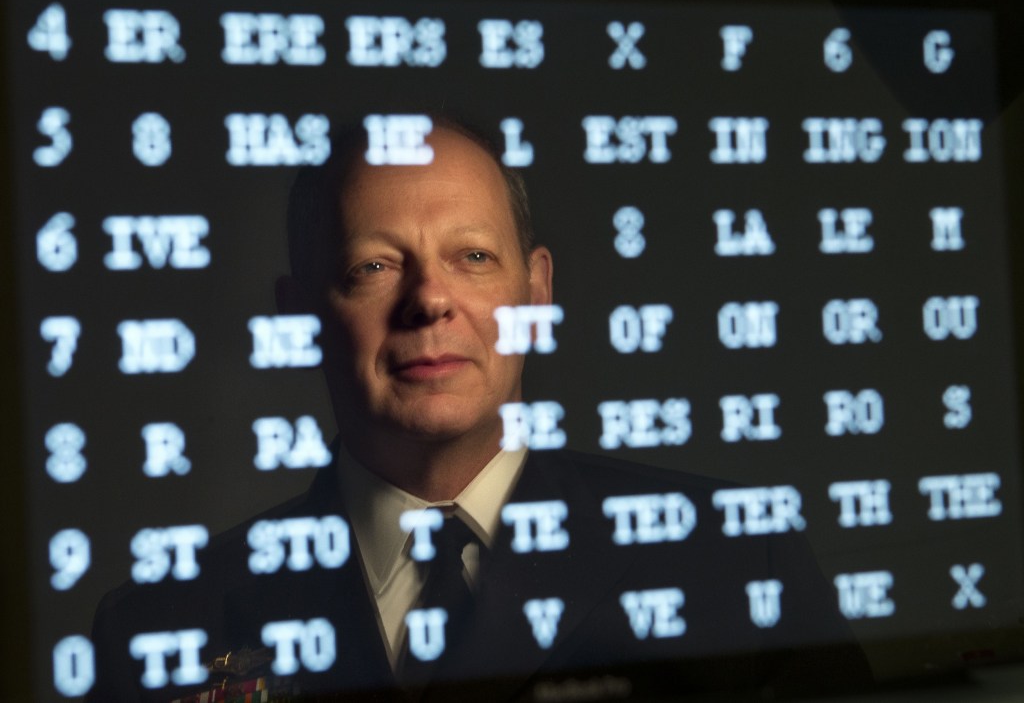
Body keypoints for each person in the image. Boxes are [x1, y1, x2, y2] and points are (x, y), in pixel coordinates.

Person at [89, 118, 870, 702]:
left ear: (535, 291)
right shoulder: (157, 626)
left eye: (472, 257)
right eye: (374, 264)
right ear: (298, 319)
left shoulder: (736, 559)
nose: (430, 298)